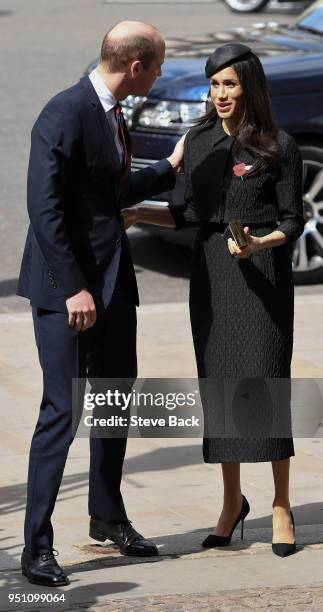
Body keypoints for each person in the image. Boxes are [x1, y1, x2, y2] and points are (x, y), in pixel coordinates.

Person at [17, 20, 185, 587]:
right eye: (158, 65)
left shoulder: (112, 112)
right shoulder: (64, 112)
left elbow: (106, 192)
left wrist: (169, 168)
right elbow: (45, 210)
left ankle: (108, 518)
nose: (160, 74)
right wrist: (73, 287)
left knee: (113, 403)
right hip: (68, 291)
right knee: (61, 413)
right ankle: (36, 548)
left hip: (113, 286)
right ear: (135, 66)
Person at [122, 43, 304, 558]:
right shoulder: (198, 140)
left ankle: (282, 505)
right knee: (221, 386)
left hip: (263, 277)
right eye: (213, 85)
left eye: (228, 84)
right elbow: (186, 214)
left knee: (264, 385)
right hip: (212, 277)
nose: (218, 94)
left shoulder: (277, 144)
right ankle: (231, 503)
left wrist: (258, 243)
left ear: (249, 86)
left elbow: (293, 219)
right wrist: (139, 214)